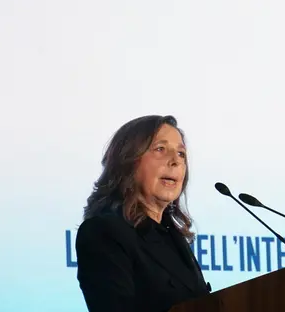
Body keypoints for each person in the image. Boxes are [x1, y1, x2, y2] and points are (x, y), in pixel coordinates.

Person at [75, 115, 211, 312]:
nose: (175, 161)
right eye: (160, 149)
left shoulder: (174, 238)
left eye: (181, 154)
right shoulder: (103, 232)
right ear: (128, 161)